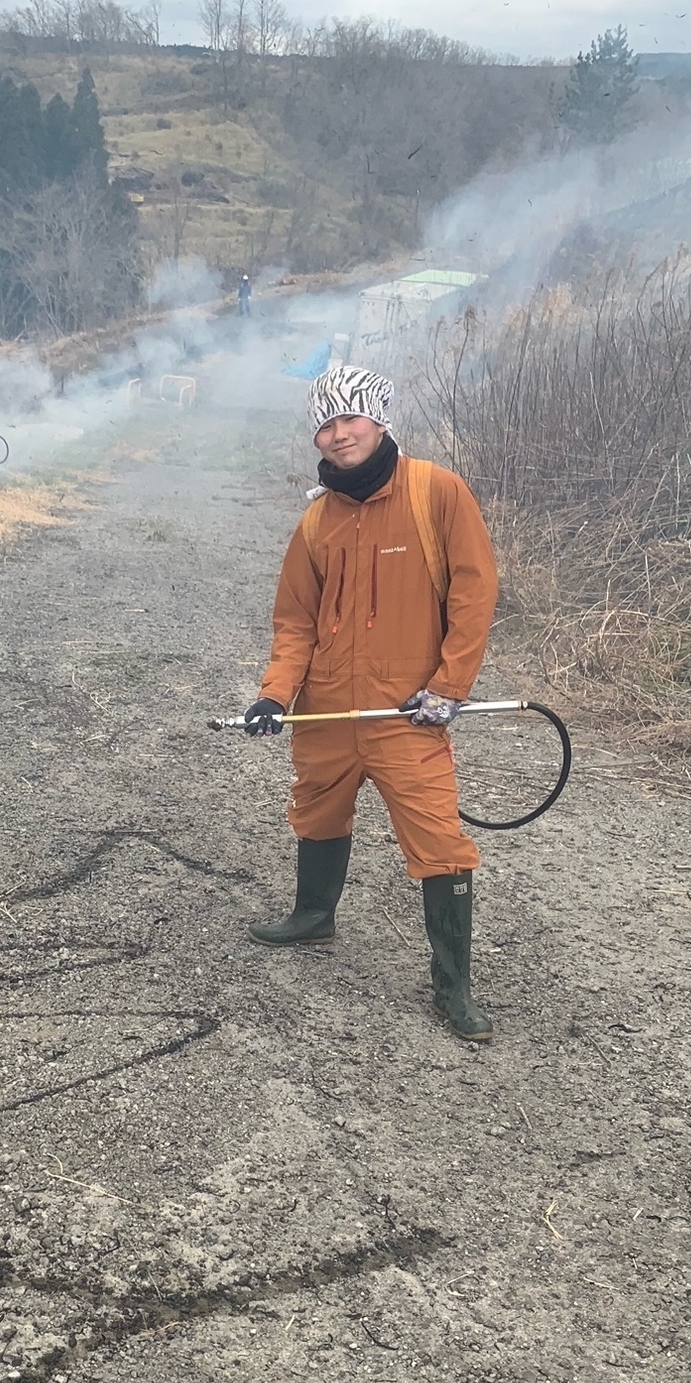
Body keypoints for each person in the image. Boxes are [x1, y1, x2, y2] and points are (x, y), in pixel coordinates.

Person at [242, 363, 500, 1041]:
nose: (338, 433)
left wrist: (448, 688)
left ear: (381, 419)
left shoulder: (436, 493)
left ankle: (453, 988)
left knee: (440, 840)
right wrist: (274, 694)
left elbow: (474, 595)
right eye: (325, 424)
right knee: (316, 805)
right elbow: (295, 620)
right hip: (326, 707)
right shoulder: (316, 521)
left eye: (350, 418)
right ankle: (313, 914)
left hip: (405, 712)